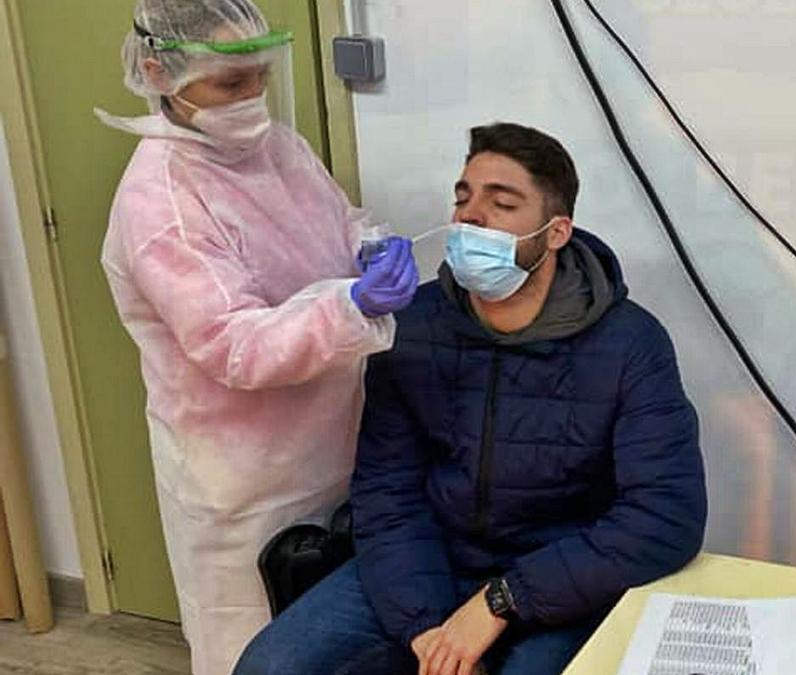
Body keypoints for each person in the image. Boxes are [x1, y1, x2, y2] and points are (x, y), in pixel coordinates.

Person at [233, 122, 708, 675]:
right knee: (270, 667)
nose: (470, 216)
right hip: (429, 561)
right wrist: (430, 630)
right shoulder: (414, 325)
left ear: (556, 233)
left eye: (501, 203)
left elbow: (666, 517)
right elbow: (387, 492)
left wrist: (500, 602)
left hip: (561, 578)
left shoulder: (629, 343)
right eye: (463, 198)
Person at [95, 1, 418, 673]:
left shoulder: (276, 147)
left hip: (336, 451)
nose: (250, 100)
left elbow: (332, 219)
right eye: (228, 85)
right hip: (244, 489)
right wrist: (350, 304)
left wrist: (367, 248)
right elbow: (234, 345)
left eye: (258, 79)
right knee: (252, 653)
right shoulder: (162, 202)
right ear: (158, 73)